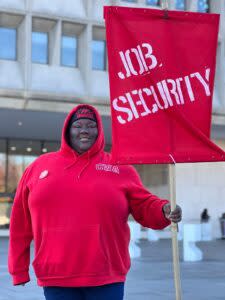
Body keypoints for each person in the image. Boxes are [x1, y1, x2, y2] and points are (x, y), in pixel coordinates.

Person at [8, 104, 182, 300]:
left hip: (106, 275)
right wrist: (18, 269)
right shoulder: (38, 167)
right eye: (78, 125)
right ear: (67, 131)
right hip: (56, 275)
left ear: (99, 131)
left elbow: (144, 205)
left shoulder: (120, 167)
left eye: (91, 125)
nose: (84, 130)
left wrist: (163, 209)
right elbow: (20, 223)